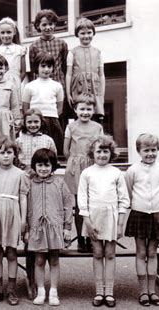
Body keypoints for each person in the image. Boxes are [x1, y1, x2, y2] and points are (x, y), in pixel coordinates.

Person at [78, 135, 130, 307]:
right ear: (92, 153)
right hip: (94, 218)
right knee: (98, 253)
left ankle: (110, 292)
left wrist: (121, 223)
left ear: (111, 153)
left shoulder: (116, 173)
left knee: (110, 254)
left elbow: (123, 199)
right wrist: (87, 222)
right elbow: (82, 199)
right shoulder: (87, 173)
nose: (102, 154)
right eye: (98, 151)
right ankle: (99, 291)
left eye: (105, 151)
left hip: (111, 218)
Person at [125, 133, 159, 307]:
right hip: (139, 213)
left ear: (158, 149)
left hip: (157, 214)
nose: (150, 153)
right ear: (139, 151)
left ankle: (153, 291)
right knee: (141, 252)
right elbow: (129, 191)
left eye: (153, 150)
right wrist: (134, 204)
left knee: (152, 253)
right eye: (146, 150)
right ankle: (143, 291)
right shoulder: (133, 170)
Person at [24, 148, 73, 306]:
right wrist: (25, 230)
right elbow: (25, 208)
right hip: (37, 228)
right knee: (39, 260)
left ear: (53, 166)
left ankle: (53, 291)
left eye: (47, 165)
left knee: (54, 260)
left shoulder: (59, 183)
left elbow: (68, 205)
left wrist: (67, 227)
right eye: (39, 165)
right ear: (34, 166)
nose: (43, 169)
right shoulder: (30, 184)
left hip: (55, 227)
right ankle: (40, 291)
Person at [0, 137, 28, 306]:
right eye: (2, 152)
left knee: (11, 252)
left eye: (9, 152)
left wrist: (23, 220)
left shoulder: (20, 174)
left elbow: (23, 198)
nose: (5, 156)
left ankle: (11, 289)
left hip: (13, 214)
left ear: (14, 155)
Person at [63, 94, 103, 252]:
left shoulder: (97, 127)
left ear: (94, 110)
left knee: (92, 203)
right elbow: (65, 150)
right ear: (75, 110)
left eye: (88, 109)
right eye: (82, 109)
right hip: (76, 167)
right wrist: (75, 161)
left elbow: (101, 146)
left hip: (92, 165)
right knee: (79, 206)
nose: (85, 112)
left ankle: (92, 238)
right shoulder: (71, 127)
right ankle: (80, 238)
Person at [22, 52, 64, 155]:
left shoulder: (57, 86)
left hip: (52, 120)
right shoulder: (29, 86)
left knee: (52, 147)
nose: (46, 69)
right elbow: (25, 108)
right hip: (36, 121)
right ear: (37, 67)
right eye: (43, 66)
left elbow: (59, 107)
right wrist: (35, 119)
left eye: (49, 66)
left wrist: (52, 118)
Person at [66, 17, 105, 123]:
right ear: (77, 34)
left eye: (89, 33)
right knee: (80, 115)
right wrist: (68, 93)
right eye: (83, 33)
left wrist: (102, 94)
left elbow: (101, 75)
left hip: (94, 90)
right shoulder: (72, 52)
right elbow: (69, 74)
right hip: (78, 89)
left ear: (93, 33)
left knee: (95, 117)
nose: (86, 36)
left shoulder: (98, 52)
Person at [28, 9, 68, 93]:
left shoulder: (62, 43)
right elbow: (33, 69)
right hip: (41, 87)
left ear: (54, 25)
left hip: (58, 83)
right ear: (38, 26)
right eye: (44, 25)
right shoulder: (34, 46)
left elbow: (64, 66)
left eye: (50, 24)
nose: (48, 27)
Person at [0, 17, 26, 94]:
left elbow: (23, 71)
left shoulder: (20, 49)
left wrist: (17, 83)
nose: (6, 35)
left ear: (14, 32)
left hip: (17, 83)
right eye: (2, 33)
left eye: (9, 32)